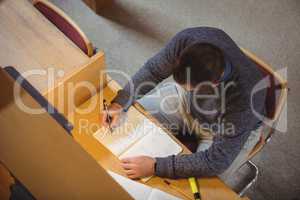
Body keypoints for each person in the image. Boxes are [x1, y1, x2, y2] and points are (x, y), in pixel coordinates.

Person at [100, 27, 266, 181]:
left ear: (213, 84)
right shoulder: (190, 39)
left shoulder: (247, 97)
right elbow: (153, 71)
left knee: (200, 191)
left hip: (225, 130)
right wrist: (120, 104)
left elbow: (216, 161)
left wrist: (157, 167)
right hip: (186, 101)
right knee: (126, 121)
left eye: (190, 86)